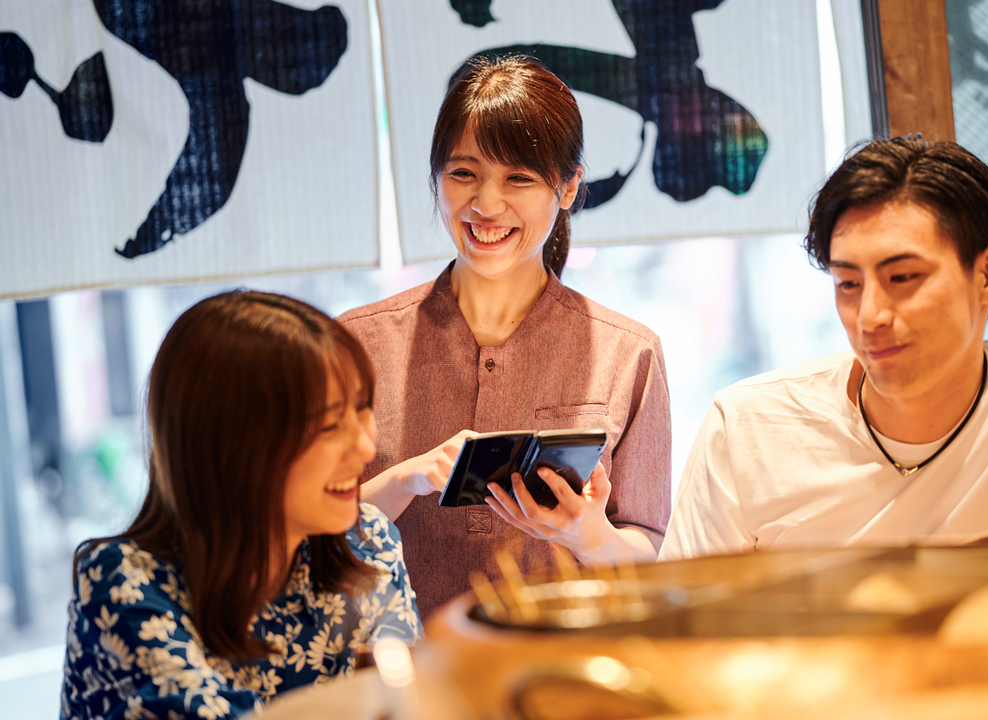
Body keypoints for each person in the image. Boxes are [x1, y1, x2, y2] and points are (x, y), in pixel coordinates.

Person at [660, 137, 988, 560]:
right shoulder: (748, 427)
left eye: (902, 277)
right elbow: (684, 631)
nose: (871, 315)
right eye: (848, 283)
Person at [340, 57, 670, 614]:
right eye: (462, 174)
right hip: (403, 677)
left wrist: (586, 535)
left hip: (563, 676)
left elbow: (646, 548)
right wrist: (406, 479)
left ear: (567, 188)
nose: (486, 205)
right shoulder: (357, 344)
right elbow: (308, 534)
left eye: (518, 178)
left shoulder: (629, 352)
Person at [61, 292, 420, 719]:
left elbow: (408, 703)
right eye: (329, 426)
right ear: (234, 451)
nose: (366, 446)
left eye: (362, 410)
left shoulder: (369, 542)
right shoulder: (124, 583)